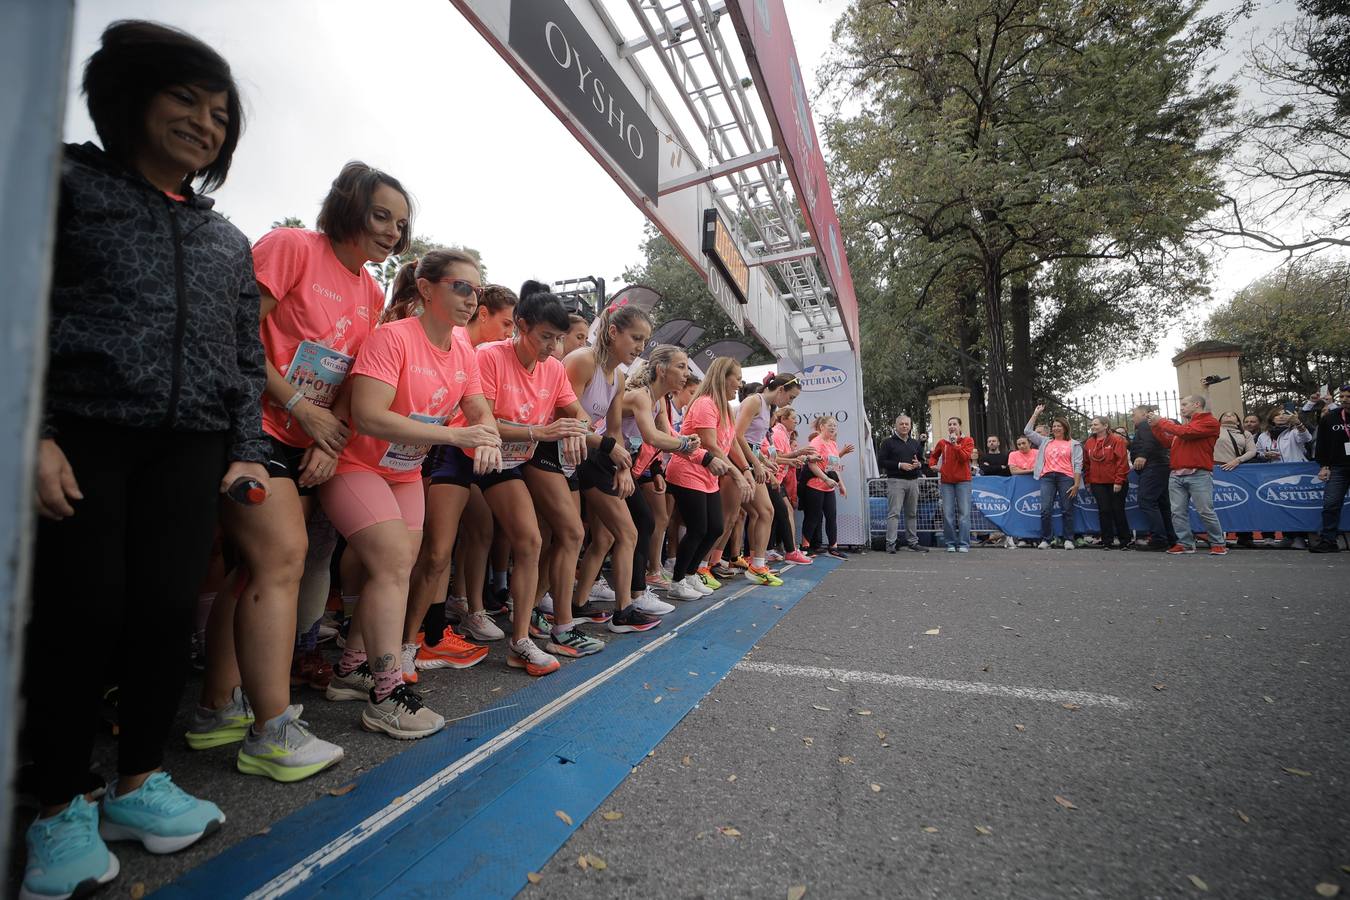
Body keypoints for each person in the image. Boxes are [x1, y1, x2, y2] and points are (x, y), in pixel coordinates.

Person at [24, 22, 258, 897]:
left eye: (221, 112)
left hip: (191, 448)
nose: (206, 122)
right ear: (130, 99)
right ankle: (59, 808)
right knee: (81, 613)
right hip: (82, 435)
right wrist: (33, 430)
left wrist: (245, 454)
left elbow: (246, 357)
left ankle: (136, 783)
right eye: (186, 100)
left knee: (164, 613)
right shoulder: (59, 185)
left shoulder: (226, 239)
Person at [196, 161, 413, 780]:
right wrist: (295, 405)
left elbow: (350, 377)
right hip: (248, 427)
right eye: (380, 216)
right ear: (347, 206)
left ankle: (216, 709)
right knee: (282, 559)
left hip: (306, 441)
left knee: (252, 574)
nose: (392, 233)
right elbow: (235, 333)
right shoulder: (292, 247)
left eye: (400, 224)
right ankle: (270, 731)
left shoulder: (372, 291)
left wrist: (330, 436)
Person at [321, 251, 503, 738]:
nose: (471, 299)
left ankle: (351, 668)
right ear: (426, 289)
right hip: (355, 463)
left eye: (477, 290)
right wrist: (457, 437)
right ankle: (385, 693)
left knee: (398, 567)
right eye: (460, 287)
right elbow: (369, 416)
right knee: (394, 564)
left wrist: (485, 433)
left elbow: (478, 408)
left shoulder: (464, 350)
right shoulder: (392, 337)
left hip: (403, 470)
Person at [567, 303, 669, 633]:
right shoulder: (584, 361)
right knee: (625, 532)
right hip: (570, 456)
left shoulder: (619, 376)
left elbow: (613, 429)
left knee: (606, 536)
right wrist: (612, 453)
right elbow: (567, 416)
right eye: (635, 338)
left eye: (644, 341)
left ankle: (578, 603)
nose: (640, 347)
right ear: (613, 333)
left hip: (594, 455)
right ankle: (623, 610)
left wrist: (623, 468)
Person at [664, 358, 745, 599]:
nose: (740, 384)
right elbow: (710, 445)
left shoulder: (726, 409)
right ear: (723, 377)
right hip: (687, 471)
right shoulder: (704, 404)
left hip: (708, 476)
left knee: (715, 528)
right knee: (698, 528)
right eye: (737, 379)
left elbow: (729, 445)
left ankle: (690, 575)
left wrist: (746, 469)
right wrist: (737, 474)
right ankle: (677, 583)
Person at [734, 372, 804, 583]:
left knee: (764, 512)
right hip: (738, 462)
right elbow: (736, 436)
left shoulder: (767, 407)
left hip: (751, 463)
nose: (790, 402)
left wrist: (764, 462)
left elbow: (753, 443)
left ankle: (757, 564)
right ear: (780, 389)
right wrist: (755, 464)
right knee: (729, 518)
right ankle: (703, 567)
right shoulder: (754, 401)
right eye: (790, 397)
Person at [1148, 395, 1227, 555]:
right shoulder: (1186, 426)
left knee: (1205, 510)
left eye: (1184, 404)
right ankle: (1185, 543)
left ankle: (1218, 543)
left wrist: (1161, 421)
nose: (1181, 408)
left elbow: (1185, 433)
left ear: (1197, 404)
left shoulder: (1209, 422)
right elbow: (1167, 442)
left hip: (1199, 473)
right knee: (1177, 512)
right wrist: (1156, 427)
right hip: (1176, 474)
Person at [1024, 405, 1083, 549]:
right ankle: (1046, 539)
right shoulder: (1045, 441)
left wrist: (1076, 484)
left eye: (1059, 426)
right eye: (1054, 426)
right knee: (1045, 509)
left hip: (1066, 478)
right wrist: (1035, 413)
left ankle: (1068, 539)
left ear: (1065, 428)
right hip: (1047, 478)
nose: (1056, 428)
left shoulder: (1074, 444)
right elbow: (1027, 431)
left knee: (1067, 509)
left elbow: (1077, 465)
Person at [802, 416, 854, 559]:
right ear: (822, 427)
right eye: (830, 425)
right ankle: (805, 547)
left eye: (835, 426)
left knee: (831, 517)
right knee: (813, 517)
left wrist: (841, 485)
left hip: (829, 488)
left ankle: (833, 547)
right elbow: (811, 465)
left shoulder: (832, 444)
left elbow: (834, 467)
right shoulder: (816, 442)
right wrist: (825, 478)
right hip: (814, 486)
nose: (833, 428)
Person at [769, 407, 815, 564]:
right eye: (793, 418)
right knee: (764, 514)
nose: (796, 421)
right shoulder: (777, 433)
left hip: (776, 478)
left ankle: (780, 550)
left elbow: (779, 458)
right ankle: (788, 550)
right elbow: (775, 457)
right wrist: (797, 454)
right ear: (783, 419)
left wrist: (802, 458)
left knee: (773, 513)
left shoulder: (782, 433)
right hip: (771, 477)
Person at [1129, 405, 1178, 550]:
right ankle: (1170, 537)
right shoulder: (1149, 426)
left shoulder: (1146, 424)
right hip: (1160, 466)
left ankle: (1159, 538)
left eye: (1134, 415)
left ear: (1145, 414)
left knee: (1147, 500)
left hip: (1153, 467)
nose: (1132, 418)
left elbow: (1150, 441)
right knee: (1162, 504)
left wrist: (1142, 455)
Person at [878, 414, 928, 552]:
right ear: (896, 426)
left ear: (911, 426)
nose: (904, 426)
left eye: (907, 424)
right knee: (894, 513)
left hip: (913, 481)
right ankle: (890, 544)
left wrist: (919, 464)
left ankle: (912, 542)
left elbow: (923, 461)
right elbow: (881, 461)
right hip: (896, 481)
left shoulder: (915, 443)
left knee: (912, 513)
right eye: (902, 424)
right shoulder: (888, 442)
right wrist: (900, 465)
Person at [1082, 417, 1132, 550]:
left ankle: (1124, 541)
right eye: (1092, 424)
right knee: (1104, 511)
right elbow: (1086, 464)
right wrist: (1088, 481)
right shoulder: (1089, 442)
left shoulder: (1117, 440)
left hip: (1116, 482)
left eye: (1096, 424)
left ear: (1105, 426)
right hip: (1097, 483)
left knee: (1118, 510)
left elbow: (1122, 462)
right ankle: (1107, 541)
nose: (1093, 426)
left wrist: (1119, 481)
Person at [1311, 384, 1350, 552]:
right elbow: (1322, 445)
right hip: (1338, 468)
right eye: (1341, 397)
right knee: (1331, 504)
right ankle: (1329, 541)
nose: (1344, 400)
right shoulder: (1330, 417)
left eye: (1348, 397)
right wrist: (1324, 466)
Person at [927, 416, 975, 552]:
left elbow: (964, 457)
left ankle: (964, 543)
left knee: (964, 513)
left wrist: (955, 445)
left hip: (963, 481)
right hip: (946, 481)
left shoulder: (968, 441)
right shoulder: (942, 443)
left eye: (954, 424)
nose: (952, 426)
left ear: (960, 427)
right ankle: (950, 543)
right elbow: (934, 455)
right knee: (947, 514)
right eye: (949, 424)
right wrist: (933, 465)